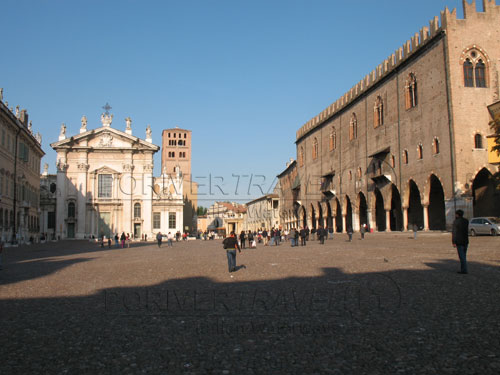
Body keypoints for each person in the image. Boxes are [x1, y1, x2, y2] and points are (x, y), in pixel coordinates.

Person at [452, 210, 469, 274]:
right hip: (465, 241)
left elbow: (454, 232)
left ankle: (464, 270)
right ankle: (463, 269)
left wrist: (453, 242)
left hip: (459, 241)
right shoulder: (466, 221)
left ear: (457, 215)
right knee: (464, 255)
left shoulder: (456, 222)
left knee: (462, 257)